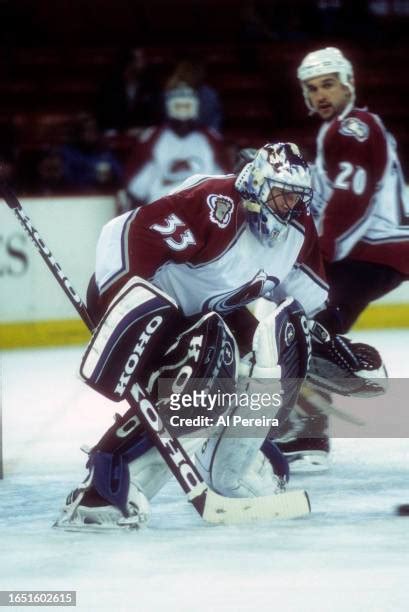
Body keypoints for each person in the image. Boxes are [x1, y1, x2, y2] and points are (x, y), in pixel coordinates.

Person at [54, 142, 384, 530]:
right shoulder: (215, 204)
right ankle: (104, 485)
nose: (291, 208)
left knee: (275, 339)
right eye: (282, 196)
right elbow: (123, 233)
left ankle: (233, 467)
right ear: (258, 186)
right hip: (145, 310)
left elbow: (306, 308)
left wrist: (330, 345)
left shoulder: (296, 232)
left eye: (298, 199)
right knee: (213, 359)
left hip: (207, 318)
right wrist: (126, 306)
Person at [276, 46, 409, 469]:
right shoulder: (340, 130)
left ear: (348, 83)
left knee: (304, 331)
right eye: (313, 88)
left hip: (374, 250)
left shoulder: (352, 127)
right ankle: (309, 433)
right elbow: (331, 196)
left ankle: (307, 433)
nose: (321, 94)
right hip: (375, 252)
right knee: (310, 331)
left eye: (329, 84)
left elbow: (353, 201)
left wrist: (322, 256)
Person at [121, 85, 228, 209]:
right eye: (178, 107)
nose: (183, 113)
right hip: (161, 207)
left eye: (187, 106)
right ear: (169, 107)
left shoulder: (211, 137)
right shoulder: (152, 137)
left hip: (201, 208)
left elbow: (223, 181)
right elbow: (136, 188)